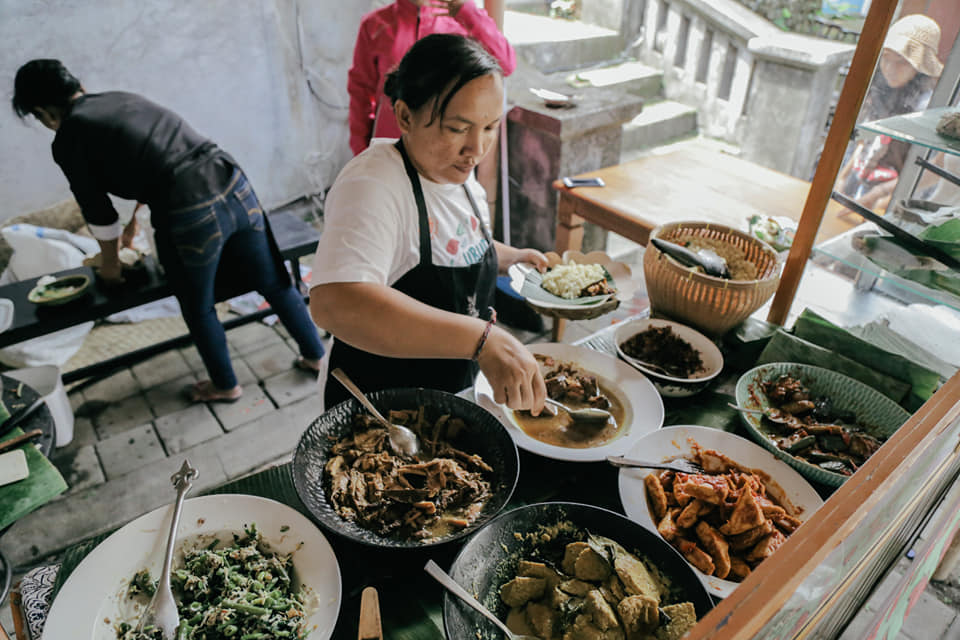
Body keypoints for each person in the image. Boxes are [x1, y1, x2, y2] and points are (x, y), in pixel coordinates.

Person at [13, 59, 326, 403]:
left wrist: (111, 265)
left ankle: (225, 384)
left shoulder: (69, 136)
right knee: (274, 281)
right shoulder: (119, 99)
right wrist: (135, 220)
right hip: (232, 181)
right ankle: (317, 357)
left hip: (188, 207)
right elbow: (157, 154)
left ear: (42, 112)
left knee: (198, 304)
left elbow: (98, 211)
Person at [311, 33, 547, 413]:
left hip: (450, 394)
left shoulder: (455, 171)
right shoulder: (373, 185)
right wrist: (482, 340)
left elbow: (454, 240)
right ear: (405, 116)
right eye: (457, 128)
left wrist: (509, 257)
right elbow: (334, 303)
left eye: (489, 127)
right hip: (379, 410)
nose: (477, 148)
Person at [348, 0, 516, 157]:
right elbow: (360, 93)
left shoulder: (461, 21)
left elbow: (506, 65)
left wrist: (468, 13)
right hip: (390, 146)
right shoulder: (375, 25)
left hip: (447, 153)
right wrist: (361, 151)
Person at [837, 14, 943, 213]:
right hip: (860, 181)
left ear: (919, 67)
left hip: (896, 197)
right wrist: (842, 177)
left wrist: (879, 195)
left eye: (901, 62)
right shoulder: (879, 90)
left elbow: (927, 169)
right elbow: (864, 140)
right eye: (886, 58)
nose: (890, 69)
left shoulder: (927, 107)